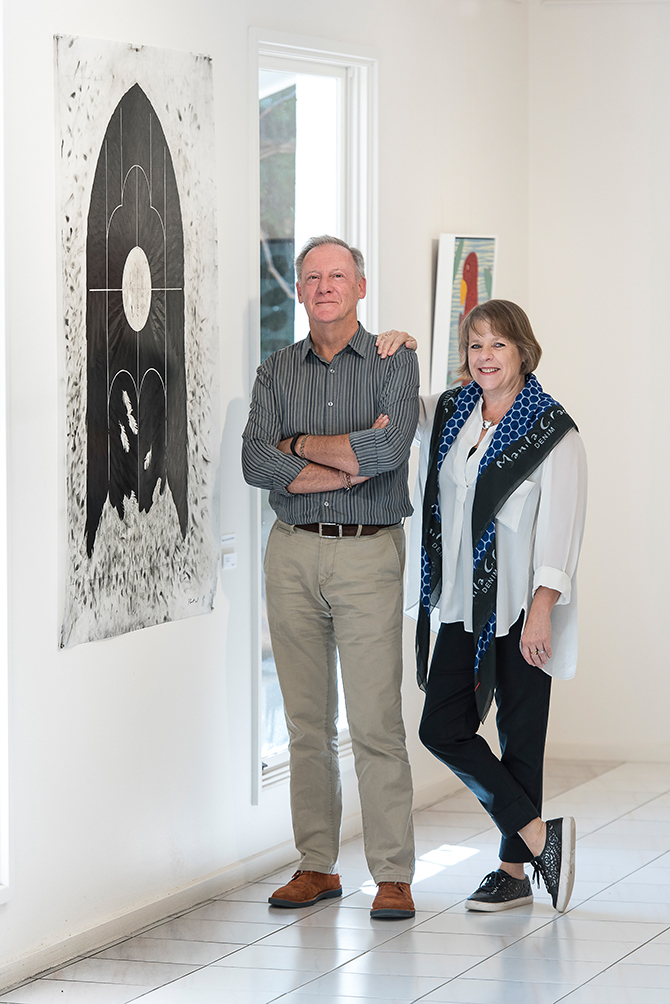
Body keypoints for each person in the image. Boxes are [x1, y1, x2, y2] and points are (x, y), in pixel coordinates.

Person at [242, 235, 419, 919]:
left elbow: (387, 450)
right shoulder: (275, 371)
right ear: (297, 289)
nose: (323, 286)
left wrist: (298, 448)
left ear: (360, 287)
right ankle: (316, 865)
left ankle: (394, 873)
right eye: (311, 276)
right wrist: (342, 458)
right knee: (305, 723)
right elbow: (257, 462)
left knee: (375, 721)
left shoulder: (391, 362)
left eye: (337, 275)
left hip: (367, 552)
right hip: (290, 553)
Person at [406, 299, 587, 913]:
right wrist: (395, 349)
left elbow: (562, 528)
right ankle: (540, 837)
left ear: (522, 352)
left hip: (521, 608)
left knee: (520, 737)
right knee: (442, 728)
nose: (484, 356)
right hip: (461, 603)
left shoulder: (553, 432)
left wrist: (543, 609)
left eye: (497, 345)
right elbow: (399, 406)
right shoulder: (454, 413)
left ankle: (513, 870)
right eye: (475, 345)